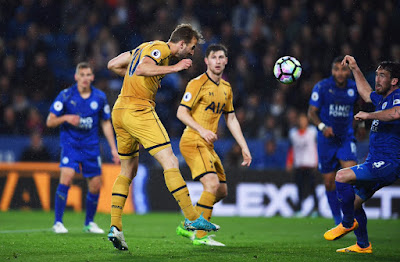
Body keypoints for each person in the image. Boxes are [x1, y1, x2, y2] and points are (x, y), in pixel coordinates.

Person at [106, 24, 220, 251]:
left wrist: (132, 79)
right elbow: (141, 69)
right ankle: (190, 217)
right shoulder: (161, 49)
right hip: (139, 110)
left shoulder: (143, 47)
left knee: (127, 171)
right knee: (170, 161)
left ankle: (115, 227)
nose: (192, 52)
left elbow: (113, 65)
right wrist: (175, 68)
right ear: (182, 43)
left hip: (119, 110)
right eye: (192, 47)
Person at [175, 44, 252, 246]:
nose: (218, 61)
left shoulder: (226, 88)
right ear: (206, 61)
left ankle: (188, 224)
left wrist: (243, 146)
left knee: (221, 191)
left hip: (207, 145)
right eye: (214, 57)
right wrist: (202, 130)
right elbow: (181, 113)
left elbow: (232, 119)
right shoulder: (197, 83)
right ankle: (200, 237)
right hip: (193, 140)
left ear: (226, 61)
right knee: (212, 184)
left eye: (221, 57)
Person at [323, 56, 400, 253]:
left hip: (388, 163)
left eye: (382, 75)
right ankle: (363, 245)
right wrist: (355, 68)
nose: (377, 79)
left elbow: (396, 113)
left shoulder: (397, 95)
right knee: (353, 202)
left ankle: (347, 223)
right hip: (376, 162)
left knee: (341, 176)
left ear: (394, 81)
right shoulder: (382, 99)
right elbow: (366, 93)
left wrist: (368, 115)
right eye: (376, 75)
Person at [47, 62, 119, 234]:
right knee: (67, 176)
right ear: (76, 77)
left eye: (88, 75)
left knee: (95, 185)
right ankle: (58, 222)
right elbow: (50, 121)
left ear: (92, 77)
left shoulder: (100, 97)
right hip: (71, 145)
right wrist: (65, 118)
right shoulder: (65, 95)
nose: (85, 78)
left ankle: (89, 223)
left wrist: (113, 148)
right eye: (82, 75)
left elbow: (106, 123)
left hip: (91, 146)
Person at [308, 56, 359, 225]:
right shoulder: (322, 87)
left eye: (343, 69)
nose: (340, 73)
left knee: (351, 175)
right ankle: (338, 220)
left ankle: (350, 216)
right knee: (329, 182)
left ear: (348, 71)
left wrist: (361, 125)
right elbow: (311, 113)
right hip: (326, 140)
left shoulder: (354, 87)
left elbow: (360, 107)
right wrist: (323, 127)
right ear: (332, 71)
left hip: (345, 137)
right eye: (336, 69)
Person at [286, 112, 319, 217]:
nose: (302, 122)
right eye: (300, 120)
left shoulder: (313, 132)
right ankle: (299, 210)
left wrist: (318, 161)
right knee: (299, 188)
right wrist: (289, 162)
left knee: (312, 188)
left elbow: (318, 146)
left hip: (310, 164)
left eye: (304, 120)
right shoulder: (293, 134)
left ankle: (316, 209)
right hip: (299, 164)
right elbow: (291, 149)